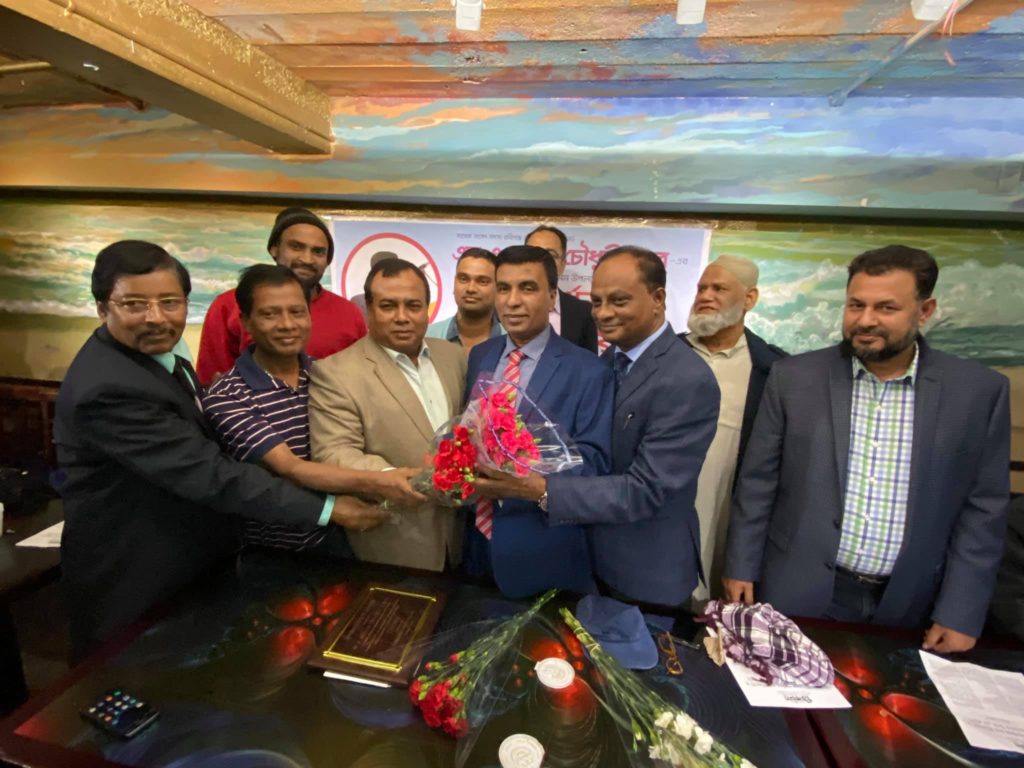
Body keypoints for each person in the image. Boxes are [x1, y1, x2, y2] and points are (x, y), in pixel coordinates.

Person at [55, 241, 384, 657]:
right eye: (134, 304)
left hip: (195, 565)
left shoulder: (163, 359)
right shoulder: (108, 388)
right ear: (103, 308)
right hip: (137, 577)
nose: (156, 317)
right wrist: (330, 509)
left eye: (169, 302)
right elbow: (215, 475)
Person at [724, 245, 1010, 653]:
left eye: (886, 308)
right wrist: (741, 566)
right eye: (856, 305)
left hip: (911, 603)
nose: (865, 320)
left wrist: (961, 611)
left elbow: (983, 511)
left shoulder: (977, 392)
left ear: (925, 311)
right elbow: (757, 483)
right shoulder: (794, 378)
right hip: (798, 589)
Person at [477, 246, 720, 609]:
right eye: (596, 301)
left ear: (658, 299)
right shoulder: (608, 360)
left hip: (645, 571)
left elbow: (646, 490)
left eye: (619, 301)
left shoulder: (686, 379)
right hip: (589, 560)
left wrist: (540, 489)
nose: (603, 313)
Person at [202, 264, 427, 554]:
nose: (287, 324)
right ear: (245, 321)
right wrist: (382, 480)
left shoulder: (327, 373)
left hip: (348, 540)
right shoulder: (227, 396)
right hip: (277, 551)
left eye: (297, 312)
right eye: (270, 314)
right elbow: (291, 468)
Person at [467, 245, 613, 597]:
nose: (512, 301)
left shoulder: (588, 370)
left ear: (551, 297)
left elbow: (594, 463)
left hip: (544, 547)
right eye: (503, 288)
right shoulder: (480, 355)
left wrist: (526, 479)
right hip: (475, 547)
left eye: (528, 288)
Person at [308, 259, 468, 571]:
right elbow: (334, 453)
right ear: (369, 309)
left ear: (427, 309)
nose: (402, 317)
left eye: (413, 305)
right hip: (395, 538)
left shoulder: (453, 356)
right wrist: (393, 477)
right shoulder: (336, 372)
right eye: (388, 306)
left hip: (459, 536)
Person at [680, 255, 786, 601]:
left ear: (750, 298)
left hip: (727, 519)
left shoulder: (773, 370)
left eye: (719, 288)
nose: (705, 296)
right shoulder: (665, 354)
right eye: (701, 288)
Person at [196, 207, 366, 385]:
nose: (307, 259)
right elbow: (212, 380)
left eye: (318, 251)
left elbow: (361, 381)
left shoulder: (349, 313)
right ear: (274, 249)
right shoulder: (229, 305)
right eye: (296, 247)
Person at [525, 225, 598, 353]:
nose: (541, 263)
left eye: (551, 255)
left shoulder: (584, 313)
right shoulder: (503, 307)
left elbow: (589, 362)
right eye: (532, 255)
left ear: (563, 264)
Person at [426, 247, 504, 349]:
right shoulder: (427, 337)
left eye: (482, 281)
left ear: (498, 288)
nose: (471, 289)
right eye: (463, 279)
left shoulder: (513, 342)